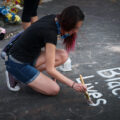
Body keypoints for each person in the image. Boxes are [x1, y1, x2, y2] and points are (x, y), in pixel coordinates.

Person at [5, 6, 87, 95]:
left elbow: (50, 57)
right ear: (68, 24)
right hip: (18, 63)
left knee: (63, 55)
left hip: (29, 55)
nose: (76, 31)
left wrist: (53, 76)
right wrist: (73, 84)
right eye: (75, 28)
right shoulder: (51, 33)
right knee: (54, 89)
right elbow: (50, 69)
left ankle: (28, 76)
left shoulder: (55, 19)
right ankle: (15, 75)